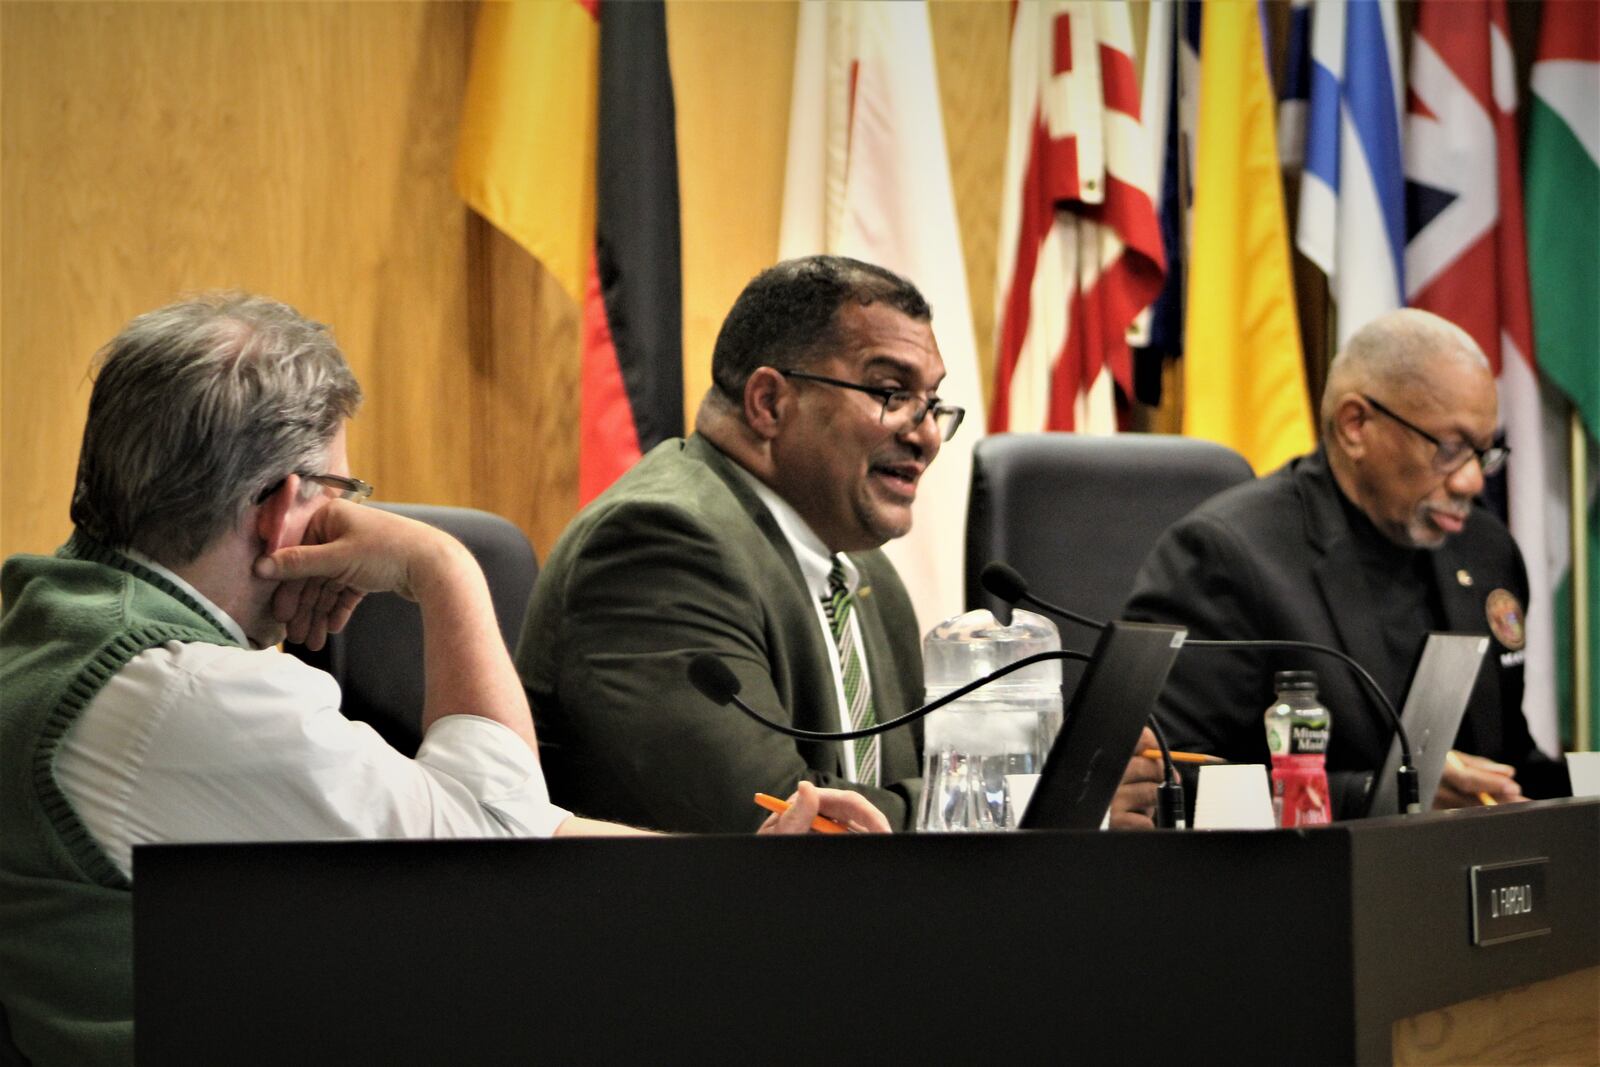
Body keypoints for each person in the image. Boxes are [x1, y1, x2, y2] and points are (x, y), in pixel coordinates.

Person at [0, 294, 883, 1067]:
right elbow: (491, 862)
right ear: (281, 507)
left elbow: (521, 831)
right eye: (341, 487)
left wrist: (747, 879)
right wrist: (443, 568)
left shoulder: (64, 621)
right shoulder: (183, 697)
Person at [517, 255, 1165, 832]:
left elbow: (905, 799)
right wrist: (1042, 802)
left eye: (932, 403)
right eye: (890, 392)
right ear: (770, 402)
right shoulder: (657, 547)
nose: (927, 435)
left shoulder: (866, 575)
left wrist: (1047, 788)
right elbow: (778, 816)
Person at [1124, 308, 1571, 819]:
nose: (1471, 480)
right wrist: (1376, 794)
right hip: (1307, 881)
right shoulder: (1226, 557)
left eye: (1484, 452)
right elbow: (1167, 780)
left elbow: (1507, 759)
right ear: (1356, 425)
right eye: (1450, 449)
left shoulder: (1485, 547)